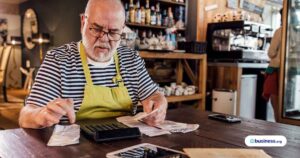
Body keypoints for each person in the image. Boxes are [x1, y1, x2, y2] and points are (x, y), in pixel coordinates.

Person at [19, 0, 167, 129]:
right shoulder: (58, 60)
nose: (104, 39)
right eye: (96, 29)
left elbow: (154, 95)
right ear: (83, 23)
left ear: (122, 30)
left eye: (113, 32)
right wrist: (41, 115)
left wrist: (159, 103)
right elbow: (26, 116)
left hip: (124, 145)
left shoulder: (131, 59)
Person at [263, 8, 283, 122]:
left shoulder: (280, 31)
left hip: (276, 70)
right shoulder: (296, 31)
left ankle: (279, 127)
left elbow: (271, 53)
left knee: (276, 104)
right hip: (291, 71)